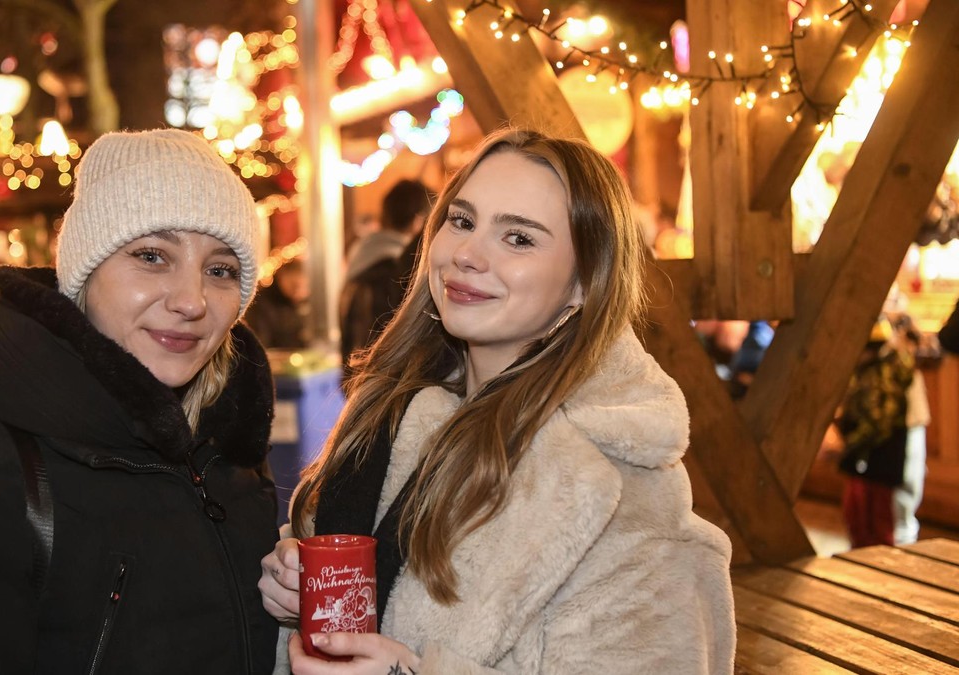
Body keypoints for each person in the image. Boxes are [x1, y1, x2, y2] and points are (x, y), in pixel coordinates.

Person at [259, 129, 735, 673]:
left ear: (585, 283)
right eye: (461, 221)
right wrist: (290, 581)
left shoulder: (619, 483)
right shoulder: (395, 412)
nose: (467, 253)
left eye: (519, 239)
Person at [0, 128, 280, 674]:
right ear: (84, 272)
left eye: (220, 270)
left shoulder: (225, 445)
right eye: (152, 256)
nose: (191, 300)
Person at [339, 179, 430, 381]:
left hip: (358, 382)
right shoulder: (398, 269)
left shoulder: (362, 254)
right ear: (418, 221)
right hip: (384, 386)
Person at [836, 318, 915, 548]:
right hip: (865, 456)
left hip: (877, 457)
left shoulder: (884, 373)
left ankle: (879, 572)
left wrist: (848, 444)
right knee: (857, 517)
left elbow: (879, 422)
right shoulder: (868, 370)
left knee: (876, 524)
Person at [245, 257, 311, 350]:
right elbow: (259, 342)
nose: (299, 292)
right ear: (281, 278)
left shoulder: (309, 303)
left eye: (304, 287)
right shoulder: (261, 303)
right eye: (294, 285)